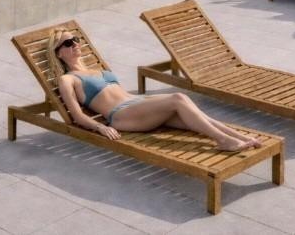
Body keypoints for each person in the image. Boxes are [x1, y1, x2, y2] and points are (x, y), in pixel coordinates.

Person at [47, 29, 262, 152]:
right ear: (58, 53)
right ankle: (223, 140)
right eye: (68, 43)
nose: (74, 44)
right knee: (178, 98)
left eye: (76, 39)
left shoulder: (97, 69)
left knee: (190, 113)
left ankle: (237, 136)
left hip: (137, 104)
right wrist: (99, 127)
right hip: (121, 115)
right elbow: (76, 116)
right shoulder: (68, 79)